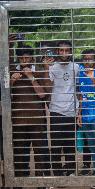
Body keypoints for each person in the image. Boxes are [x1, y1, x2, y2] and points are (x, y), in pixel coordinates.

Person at [11, 46, 50, 177]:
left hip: (37, 120)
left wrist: (31, 77)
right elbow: (4, 95)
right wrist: (11, 81)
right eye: (21, 58)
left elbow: (42, 95)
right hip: (18, 121)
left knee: (40, 153)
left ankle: (40, 181)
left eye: (26, 57)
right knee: (20, 153)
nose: (24, 60)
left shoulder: (38, 72)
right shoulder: (12, 71)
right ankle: (21, 180)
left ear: (32, 58)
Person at [44, 40, 79, 176]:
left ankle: (71, 172)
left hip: (71, 111)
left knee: (70, 145)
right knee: (56, 145)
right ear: (57, 52)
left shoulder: (76, 67)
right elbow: (47, 87)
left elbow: (79, 89)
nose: (64, 53)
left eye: (67, 50)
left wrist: (78, 109)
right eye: (61, 50)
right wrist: (46, 68)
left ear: (70, 51)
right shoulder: (52, 67)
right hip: (56, 111)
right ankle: (57, 174)